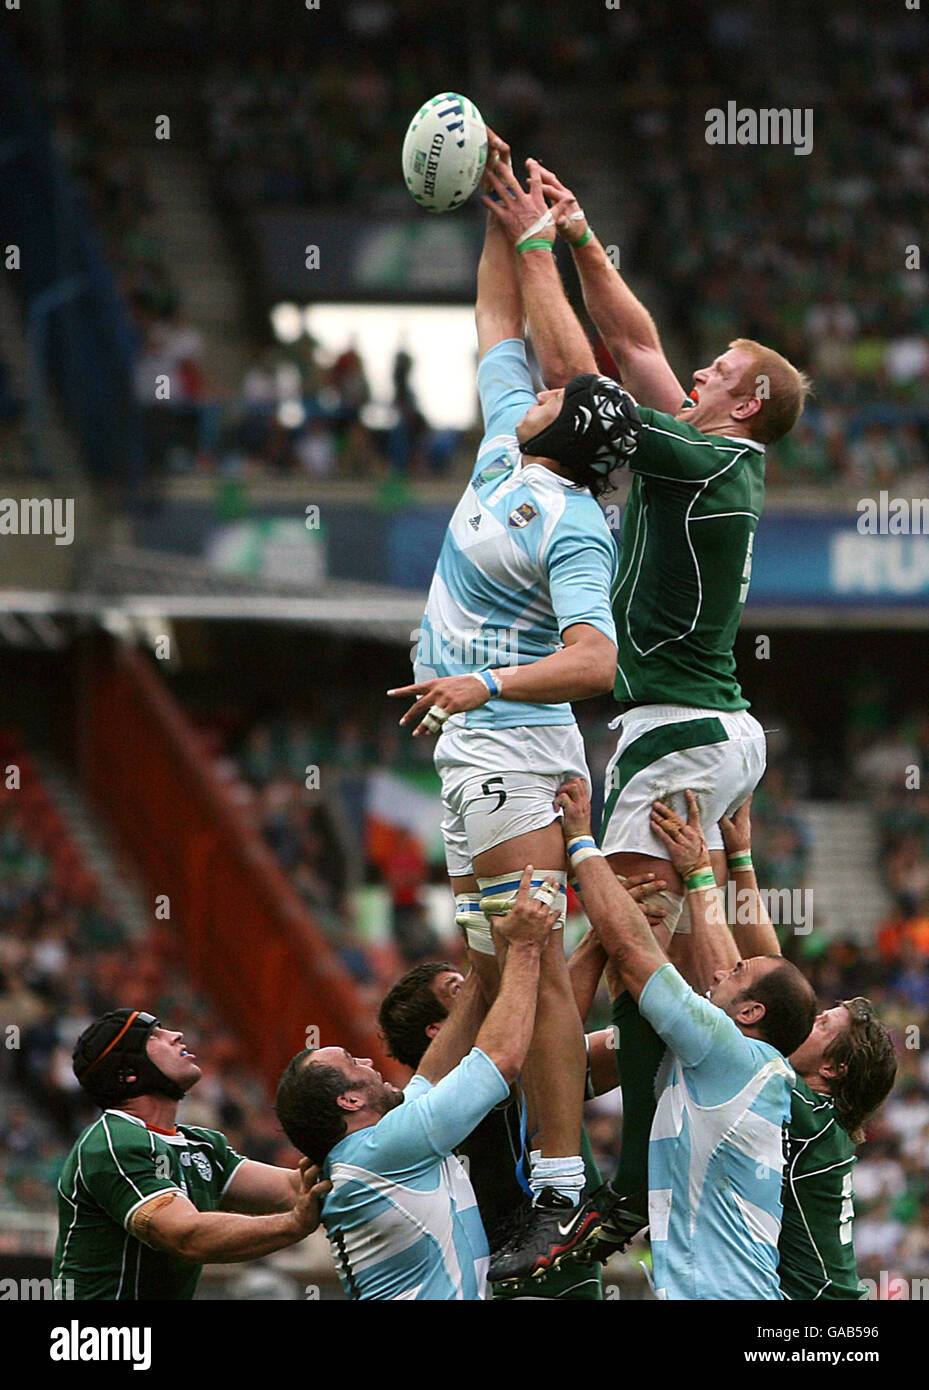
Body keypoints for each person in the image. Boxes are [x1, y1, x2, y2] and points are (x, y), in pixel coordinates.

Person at [386, 130, 641, 1280]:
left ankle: (557, 1186)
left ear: (564, 426)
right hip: (470, 746)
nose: (537, 381)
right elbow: (495, 326)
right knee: (499, 960)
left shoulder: (573, 520)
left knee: (526, 957)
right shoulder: (509, 440)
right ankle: (445, 1150)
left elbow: (596, 658)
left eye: (555, 389)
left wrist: (477, 680)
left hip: (508, 738)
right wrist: (498, 211)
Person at [483, 153, 812, 939]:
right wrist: (580, 234)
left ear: (750, 400)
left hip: (677, 725)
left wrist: (532, 244)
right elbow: (633, 346)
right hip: (707, 724)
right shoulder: (719, 453)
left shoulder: (705, 461)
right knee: (646, 948)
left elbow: (577, 381)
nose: (700, 371)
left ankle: (637, 1063)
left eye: (721, 370)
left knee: (632, 951)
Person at [553, 777, 816, 1299]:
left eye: (736, 973)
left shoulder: (729, 1053)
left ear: (751, 1011)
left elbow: (631, 950)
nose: (719, 973)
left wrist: (581, 843)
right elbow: (742, 972)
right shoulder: (752, 1062)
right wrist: (711, 870)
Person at [275, 867, 559, 1300]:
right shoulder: (386, 1148)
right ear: (349, 1100)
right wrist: (523, 946)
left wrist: (480, 963)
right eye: (354, 1062)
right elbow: (499, 1061)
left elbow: (431, 1073)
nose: (368, 1060)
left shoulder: (373, 1150)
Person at [655, 795, 897, 1299]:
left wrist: (703, 878)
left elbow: (756, 988)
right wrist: (739, 861)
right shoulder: (818, 1117)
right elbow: (770, 973)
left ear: (832, 1069)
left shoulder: (804, 1111)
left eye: (821, 1024)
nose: (804, 1021)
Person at [53, 1009, 329, 1300]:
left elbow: (294, 1187)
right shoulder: (112, 1142)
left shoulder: (201, 1144)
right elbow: (187, 1236)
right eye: (153, 1036)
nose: (176, 1035)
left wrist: (366, 1156)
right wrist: (294, 1224)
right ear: (128, 1073)